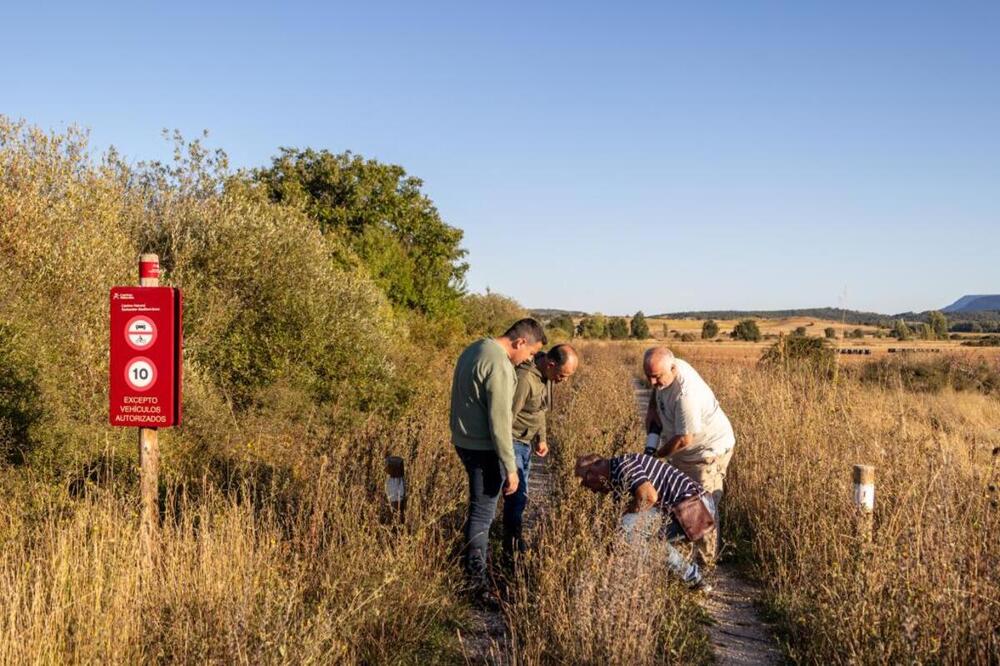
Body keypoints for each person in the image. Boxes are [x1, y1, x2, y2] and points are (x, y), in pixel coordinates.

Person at [450, 318, 547, 603]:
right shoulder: (502, 366)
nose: (528, 360)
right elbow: (500, 422)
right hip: (483, 449)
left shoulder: (477, 348)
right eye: (529, 354)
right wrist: (511, 467)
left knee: (479, 509)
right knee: (483, 514)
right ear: (520, 342)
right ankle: (476, 584)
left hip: (464, 441)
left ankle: (473, 572)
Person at [641, 347, 735, 567]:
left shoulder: (686, 395)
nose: (653, 382)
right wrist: (653, 408)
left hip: (707, 453)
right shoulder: (666, 370)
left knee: (701, 506)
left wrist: (657, 456)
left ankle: (705, 564)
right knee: (680, 501)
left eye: (657, 377)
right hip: (685, 454)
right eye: (648, 376)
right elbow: (657, 392)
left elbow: (684, 439)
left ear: (673, 368)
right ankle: (683, 559)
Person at [574, 452, 714, 590]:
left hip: (694, 508)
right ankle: (690, 579)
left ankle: (692, 579)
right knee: (635, 536)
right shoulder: (616, 481)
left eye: (586, 483)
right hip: (687, 508)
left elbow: (649, 497)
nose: (591, 490)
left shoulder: (623, 464)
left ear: (592, 472)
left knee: (626, 530)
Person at [503, 344, 579, 563]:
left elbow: (540, 410)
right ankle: (512, 550)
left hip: (526, 443)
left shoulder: (546, 376)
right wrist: (508, 461)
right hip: (513, 442)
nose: (563, 380)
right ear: (551, 363)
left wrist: (542, 438)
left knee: (520, 497)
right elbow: (505, 419)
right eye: (563, 375)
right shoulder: (526, 379)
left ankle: (512, 543)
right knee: (516, 497)